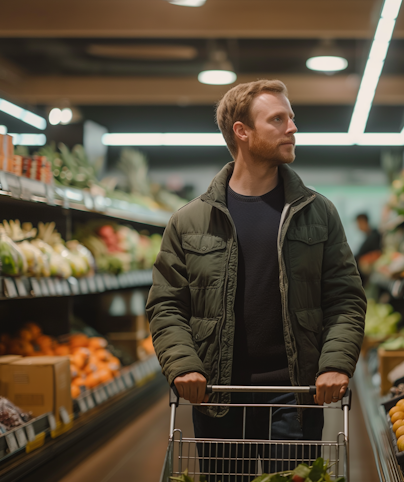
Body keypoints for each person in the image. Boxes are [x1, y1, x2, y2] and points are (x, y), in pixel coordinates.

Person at [146, 79, 366, 480]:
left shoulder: (318, 213)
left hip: (296, 398)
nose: (292, 128)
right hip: (218, 397)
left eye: (292, 118)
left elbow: (346, 299)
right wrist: (182, 365)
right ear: (242, 132)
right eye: (278, 119)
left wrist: (335, 363)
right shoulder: (189, 220)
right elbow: (167, 304)